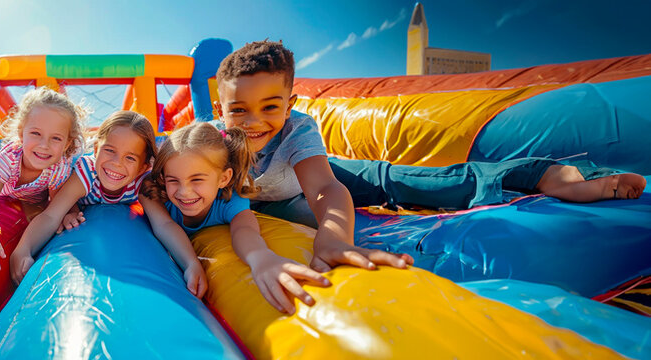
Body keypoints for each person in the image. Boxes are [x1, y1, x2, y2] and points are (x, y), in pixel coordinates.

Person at [212, 40, 645, 277]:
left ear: (290, 104)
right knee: (296, 213)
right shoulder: (210, 140)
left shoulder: (297, 129)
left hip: (309, 176)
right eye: (239, 109)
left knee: (395, 180)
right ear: (219, 111)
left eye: (271, 106)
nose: (255, 121)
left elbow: (324, 187)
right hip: (266, 201)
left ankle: (541, 174)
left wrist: (334, 239)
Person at [9, 111, 210, 298]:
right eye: (109, 150)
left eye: (130, 157)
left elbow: (163, 224)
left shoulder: (142, 182)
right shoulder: (85, 174)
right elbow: (51, 215)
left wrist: (190, 263)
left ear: (143, 167)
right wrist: (23, 250)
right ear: (96, 149)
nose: (116, 163)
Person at [141, 122, 328, 314]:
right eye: (173, 180)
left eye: (196, 179)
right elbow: (164, 224)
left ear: (223, 178)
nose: (184, 192)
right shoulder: (152, 191)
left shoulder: (230, 198)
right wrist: (191, 263)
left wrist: (260, 258)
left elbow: (243, 229)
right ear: (163, 178)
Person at [0, 87, 86, 275]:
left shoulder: (59, 166)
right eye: (36, 133)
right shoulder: (10, 156)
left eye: (56, 138)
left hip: (33, 201)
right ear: (21, 132)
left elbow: (56, 204)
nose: (44, 145)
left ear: (67, 144)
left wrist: (71, 212)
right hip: (3, 194)